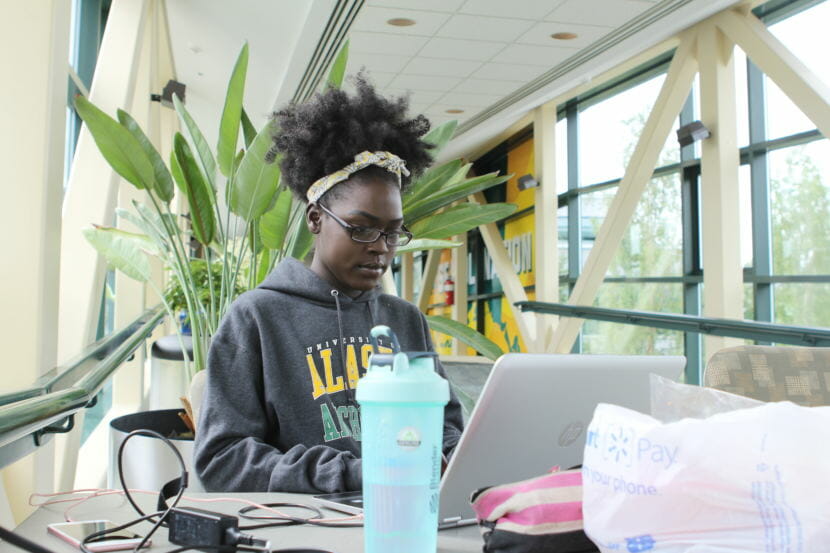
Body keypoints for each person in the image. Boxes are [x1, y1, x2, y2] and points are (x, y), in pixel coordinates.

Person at [193, 75, 465, 493]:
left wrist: (451, 457)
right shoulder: (257, 317)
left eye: (393, 233)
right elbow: (222, 460)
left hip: (406, 511)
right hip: (306, 526)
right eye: (361, 229)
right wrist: (353, 473)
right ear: (316, 218)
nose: (380, 248)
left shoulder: (405, 320)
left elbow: (444, 424)